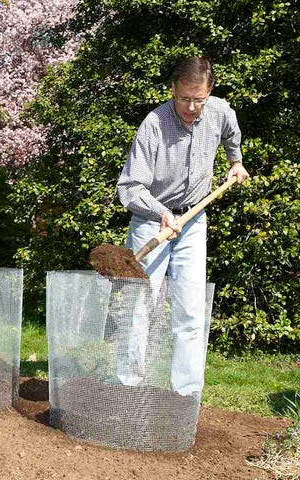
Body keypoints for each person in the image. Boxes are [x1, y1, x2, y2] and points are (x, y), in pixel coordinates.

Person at [115, 56, 249, 396]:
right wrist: (160, 212)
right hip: (152, 222)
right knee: (140, 306)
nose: (191, 107)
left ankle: (185, 395)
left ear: (210, 92)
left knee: (191, 310)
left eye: (199, 100)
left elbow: (231, 133)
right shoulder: (154, 124)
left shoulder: (219, 111)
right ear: (172, 88)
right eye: (184, 98)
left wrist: (236, 161)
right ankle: (128, 387)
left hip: (193, 222)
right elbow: (129, 187)